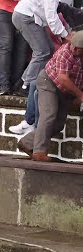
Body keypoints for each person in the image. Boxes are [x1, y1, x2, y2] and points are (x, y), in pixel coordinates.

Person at [12, 0, 82, 96]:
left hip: (31, 17)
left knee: (47, 49)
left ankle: (23, 82)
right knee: (42, 51)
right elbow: (51, 15)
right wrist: (66, 35)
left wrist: (63, 33)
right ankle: (25, 86)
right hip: (26, 17)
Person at [17, 31, 83, 162]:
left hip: (67, 91)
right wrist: (80, 94)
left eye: (79, 49)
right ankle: (39, 152)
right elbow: (63, 78)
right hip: (49, 82)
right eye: (73, 46)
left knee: (58, 124)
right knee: (49, 114)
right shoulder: (64, 53)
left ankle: (26, 142)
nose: (74, 49)